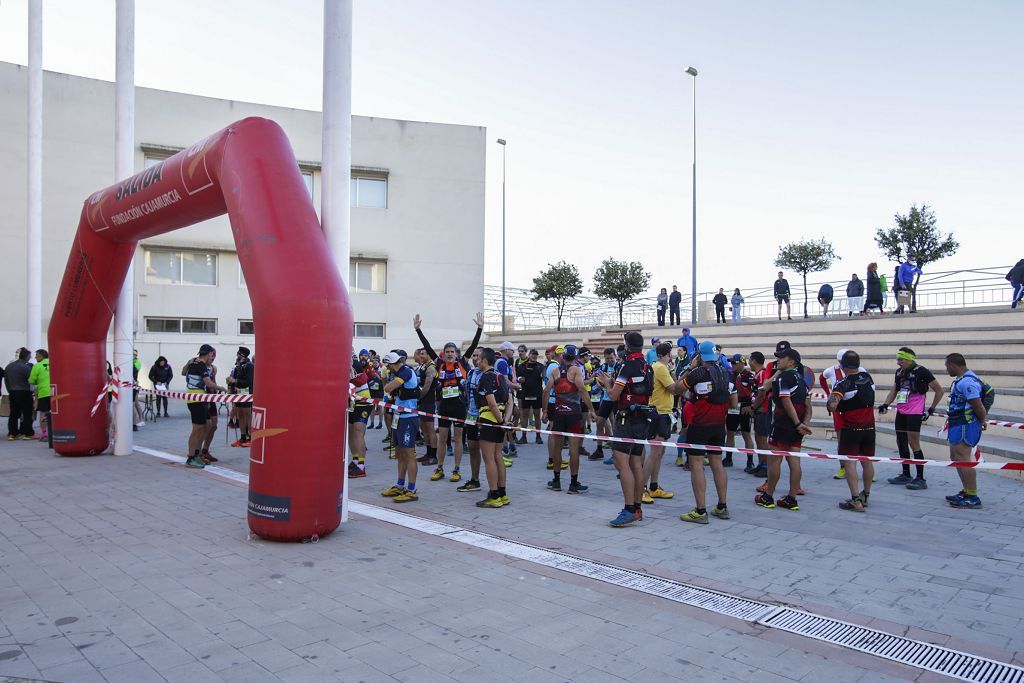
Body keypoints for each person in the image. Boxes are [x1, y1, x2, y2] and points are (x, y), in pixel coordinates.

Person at [413, 312, 484, 483]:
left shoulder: (463, 362)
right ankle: (440, 467)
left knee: (458, 438)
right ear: (443, 354)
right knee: (443, 438)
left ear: (456, 353)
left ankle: (457, 470)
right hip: (444, 406)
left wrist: (480, 328)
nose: (450, 354)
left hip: (459, 406)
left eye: (452, 351)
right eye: (447, 352)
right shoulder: (439, 363)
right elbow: (428, 347)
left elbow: (473, 346)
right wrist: (418, 330)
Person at [675, 341, 736, 524]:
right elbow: (733, 404)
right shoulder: (726, 373)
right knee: (717, 463)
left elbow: (678, 389)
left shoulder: (698, 373)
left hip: (699, 424)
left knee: (696, 465)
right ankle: (722, 506)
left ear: (699, 356)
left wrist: (689, 368)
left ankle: (701, 510)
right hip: (719, 425)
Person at [598, 332, 654, 527]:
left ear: (627, 347)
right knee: (635, 464)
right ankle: (637, 508)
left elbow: (614, 396)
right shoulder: (647, 366)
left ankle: (629, 509)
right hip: (643, 419)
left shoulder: (625, 365)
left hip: (626, 420)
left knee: (622, 464)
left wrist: (607, 384)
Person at [879, 347, 945, 491]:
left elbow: (939, 390)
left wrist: (931, 409)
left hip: (915, 412)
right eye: (898, 359)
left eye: (901, 359)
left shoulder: (922, 371)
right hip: (901, 410)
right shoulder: (899, 372)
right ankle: (906, 474)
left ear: (909, 359)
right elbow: (894, 390)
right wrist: (885, 404)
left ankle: (920, 478)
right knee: (901, 441)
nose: (898, 362)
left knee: (913, 442)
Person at [755, 346, 811, 511]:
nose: (777, 360)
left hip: (783, 423)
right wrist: (804, 424)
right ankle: (791, 499)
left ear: (791, 361)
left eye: (781, 358)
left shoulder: (783, 377)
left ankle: (768, 496)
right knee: (794, 461)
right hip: (797, 425)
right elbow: (808, 406)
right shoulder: (801, 379)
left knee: (775, 461)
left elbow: (786, 402)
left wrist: (797, 423)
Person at [542, 344, 594, 494]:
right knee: (573, 450)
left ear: (563, 357)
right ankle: (573, 483)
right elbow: (582, 390)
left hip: (558, 414)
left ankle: (556, 481)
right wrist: (591, 410)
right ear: (576, 357)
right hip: (573, 415)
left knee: (557, 449)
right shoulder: (576, 370)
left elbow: (546, 391)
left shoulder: (556, 372)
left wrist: (545, 411)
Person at [827, 351, 876, 512]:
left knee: (849, 463)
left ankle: (855, 500)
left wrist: (831, 401)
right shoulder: (868, 378)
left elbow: (832, 405)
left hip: (851, 428)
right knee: (867, 462)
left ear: (842, 365)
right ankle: (866, 495)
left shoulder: (843, 383)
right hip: (869, 427)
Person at [943, 353, 988, 509]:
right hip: (957, 423)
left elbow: (978, 406)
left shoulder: (967, 382)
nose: (946, 369)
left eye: (947, 366)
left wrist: (981, 422)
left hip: (965, 425)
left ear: (953, 365)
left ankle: (972, 496)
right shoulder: (961, 381)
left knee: (963, 459)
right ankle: (966, 490)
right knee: (956, 457)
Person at [473, 347, 515, 508]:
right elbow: (510, 401)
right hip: (500, 421)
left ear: (484, 360)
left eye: (479, 358)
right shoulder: (500, 376)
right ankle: (502, 494)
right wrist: (505, 420)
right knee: (498, 457)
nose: (477, 361)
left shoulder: (485, 377)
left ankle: (494, 495)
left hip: (488, 421)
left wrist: (500, 421)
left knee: (489, 458)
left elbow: (490, 402)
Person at [819, 348, 866, 481]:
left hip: (855, 407)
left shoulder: (861, 371)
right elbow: (821, 378)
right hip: (840, 408)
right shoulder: (831, 371)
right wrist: (829, 394)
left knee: (861, 437)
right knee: (841, 437)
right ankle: (843, 467)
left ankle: (866, 468)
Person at [641, 342, 679, 504]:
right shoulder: (661, 368)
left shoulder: (658, 367)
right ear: (667, 355)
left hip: (664, 412)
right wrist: (687, 372)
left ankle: (654, 486)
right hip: (658, 412)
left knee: (659, 452)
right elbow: (674, 388)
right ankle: (641, 488)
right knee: (655, 452)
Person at [381, 350, 421, 503]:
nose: (388, 368)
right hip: (399, 417)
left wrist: (388, 386)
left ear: (392, 364)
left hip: (408, 418)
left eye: (389, 365)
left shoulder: (405, 372)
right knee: (400, 453)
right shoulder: (398, 373)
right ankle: (399, 485)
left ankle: (411, 489)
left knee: (409, 454)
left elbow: (388, 388)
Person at [183, 345, 225, 469]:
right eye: (212, 356)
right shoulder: (200, 365)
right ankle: (191, 458)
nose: (212, 358)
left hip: (202, 398)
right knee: (197, 428)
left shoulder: (194, 362)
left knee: (207, 424)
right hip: (196, 399)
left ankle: (198, 453)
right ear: (208, 354)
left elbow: (183, 372)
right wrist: (221, 388)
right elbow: (208, 382)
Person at [457, 348, 485, 493]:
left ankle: (497, 486)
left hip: (485, 418)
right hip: (471, 416)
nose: (475, 358)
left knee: (488, 453)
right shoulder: (471, 372)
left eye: (478, 356)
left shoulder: (489, 374)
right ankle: (475, 480)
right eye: (474, 356)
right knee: (473, 449)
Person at [726, 354, 756, 470]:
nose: (732, 365)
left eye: (734, 363)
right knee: (729, 433)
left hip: (745, 408)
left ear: (742, 363)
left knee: (746, 434)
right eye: (731, 363)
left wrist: (751, 407)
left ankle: (750, 461)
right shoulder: (730, 375)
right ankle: (728, 458)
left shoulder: (749, 376)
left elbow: (755, 392)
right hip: (733, 407)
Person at [592, 346, 618, 464]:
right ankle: (599, 449)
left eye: (611, 358)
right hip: (607, 399)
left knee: (616, 426)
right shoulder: (603, 367)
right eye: (607, 358)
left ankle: (616, 453)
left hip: (617, 399)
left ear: (615, 356)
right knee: (599, 422)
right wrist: (599, 384)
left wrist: (610, 381)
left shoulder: (620, 366)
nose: (609, 360)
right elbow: (598, 381)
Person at [347, 358, 372, 478]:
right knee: (350, 432)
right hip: (352, 403)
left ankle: (361, 466)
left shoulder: (354, 362)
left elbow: (362, 379)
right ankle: (356, 460)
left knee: (358, 432)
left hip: (363, 402)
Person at [413, 348, 438, 465]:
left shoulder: (431, 368)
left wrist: (417, 398)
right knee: (423, 428)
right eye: (420, 354)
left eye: (423, 354)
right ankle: (428, 453)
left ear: (428, 355)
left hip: (428, 402)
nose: (421, 356)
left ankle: (434, 456)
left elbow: (427, 387)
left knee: (430, 429)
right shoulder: (424, 366)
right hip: (423, 402)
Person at [516, 348, 545, 446]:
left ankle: (538, 436)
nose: (534, 356)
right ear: (529, 355)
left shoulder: (541, 366)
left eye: (536, 354)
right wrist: (520, 379)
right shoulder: (522, 366)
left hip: (537, 393)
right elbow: (517, 377)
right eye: (532, 354)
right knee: (525, 415)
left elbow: (544, 377)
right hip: (526, 393)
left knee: (537, 415)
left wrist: (544, 375)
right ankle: (523, 436)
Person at [747, 352, 769, 477]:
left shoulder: (762, 374)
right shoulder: (758, 374)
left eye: (750, 360)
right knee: (758, 437)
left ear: (754, 361)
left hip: (762, 410)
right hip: (759, 410)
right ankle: (761, 464)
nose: (748, 363)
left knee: (761, 438)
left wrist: (753, 408)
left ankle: (765, 466)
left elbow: (762, 395)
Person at [5, 349, 34, 440]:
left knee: (13, 414)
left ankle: (12, 433)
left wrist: (10, 390)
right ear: (26, 357)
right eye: (30, 356)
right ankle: (27, 433)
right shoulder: (25, 368)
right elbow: (31, 381)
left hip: (13, 392)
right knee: (27, 413)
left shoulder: (9, 366)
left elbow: (7, 381)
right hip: (24, 392)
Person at [229, 347, 255, 448]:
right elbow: (235, 379)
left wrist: (235, 381)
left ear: (242, 355)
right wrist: (232, 384)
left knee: (247, 414)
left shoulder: (249, 366)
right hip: (239, 393)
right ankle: (243, 437)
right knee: (240, 414)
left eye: (238, 354)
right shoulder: (238, 365)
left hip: (247, 393)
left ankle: (251, 437)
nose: (236, 355)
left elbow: (249, 381)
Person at [28, 349, 51, 442]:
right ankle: (58, 432)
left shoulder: (37, 366)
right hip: (56, 392)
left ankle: (44, 435)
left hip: (44, 393)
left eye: (37, 356)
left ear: (41, 356)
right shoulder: (55, 362)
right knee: (57, 413)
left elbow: (31, 381)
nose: (35, 358)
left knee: (43, 413)